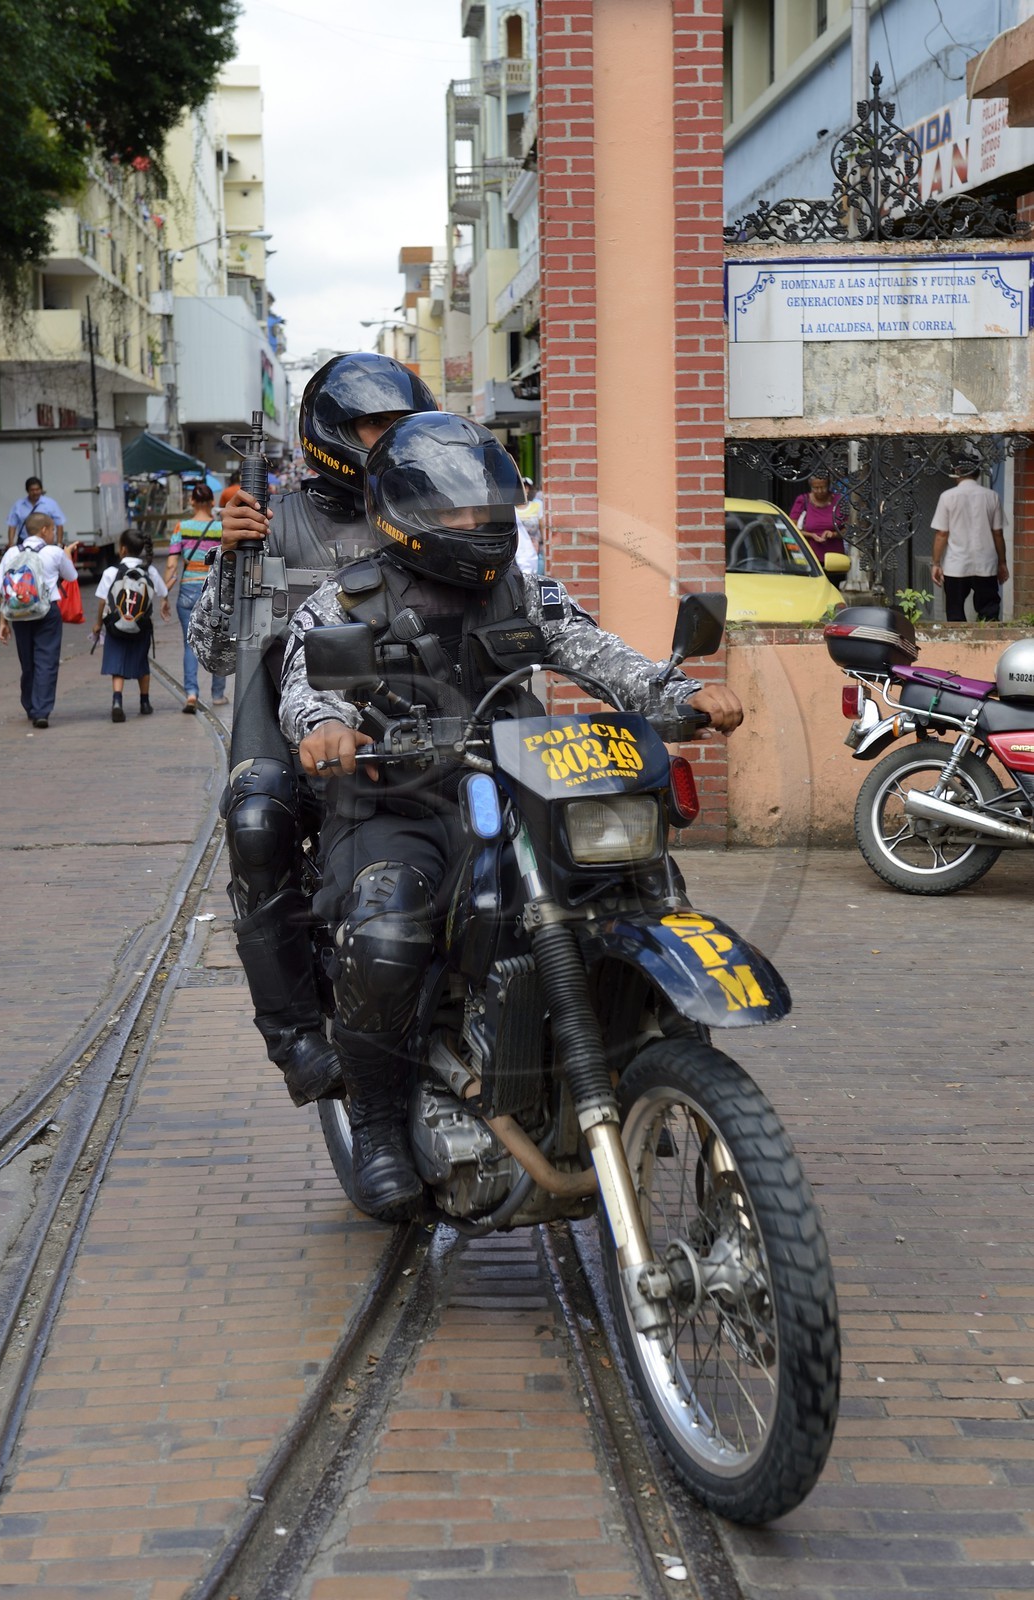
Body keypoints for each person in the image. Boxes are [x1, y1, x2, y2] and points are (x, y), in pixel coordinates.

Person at [278, 411, 743, 1222]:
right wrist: (324, 726)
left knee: (632, 884)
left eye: (486, 508)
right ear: (405, 514)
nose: (476, 525)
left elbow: (596, 653)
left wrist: (677, 696)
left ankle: (648, 1064)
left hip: (520, 784)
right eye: (456, 512)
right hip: (397, 799)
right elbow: (302, 682)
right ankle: (381, 1125)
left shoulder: (521, 588)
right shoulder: (344, 599)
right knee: (387, 932)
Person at [185, 352, 438, 1109]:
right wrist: (234, 559)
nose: (392, 438)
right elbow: (217, 652)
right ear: (333, 435)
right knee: (258, 819)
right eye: (375, 425)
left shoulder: (432, 506)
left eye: (402, 423)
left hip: (415, 710)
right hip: (290, 719)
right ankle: (294, 1034)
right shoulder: (271, 520)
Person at [0, 511, 78, 727]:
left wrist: (3, 622)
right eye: (51, 530)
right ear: (44, 530)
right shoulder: (54, 552)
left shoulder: (11, 553)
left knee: (27, 661)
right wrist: (66, 554)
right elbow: (72, 576)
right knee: (46, 661)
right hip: (47, 612)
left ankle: (30, 705)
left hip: (18, 614)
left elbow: (3, 589)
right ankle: (41, 711)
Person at [92, 527, 171, 721]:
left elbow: (102, 601)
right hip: (141, 626)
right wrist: (164, 602)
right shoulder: (149, 570)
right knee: (141, 662)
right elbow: (163, 592)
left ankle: (117, 701)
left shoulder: (111, 572)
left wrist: (97, 624)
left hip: (115, 626)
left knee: (117, 662)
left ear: (123, 549)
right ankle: (144, 702)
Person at [164, 482, 226, 712]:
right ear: (212, 502)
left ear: (191, 501)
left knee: (189, 644)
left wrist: (164, 594)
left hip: (187, 591)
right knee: (218, 642)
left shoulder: (181, 527)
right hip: (213, 591)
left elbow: (171, 564)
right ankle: (218, 694)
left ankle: (191, 693)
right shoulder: (220, 528)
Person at [930, 455, 1008, 622]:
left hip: (956, 565)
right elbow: (998, 534)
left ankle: (958, 646)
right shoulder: (991, 496)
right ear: (978, 472)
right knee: (989, 612)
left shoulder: (947, 497)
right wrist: (1002, 562)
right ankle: (990, 645)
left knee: (955, 613)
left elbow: (942, 534)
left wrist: (936, 563)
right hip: (986, 564)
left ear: (957, 472)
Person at [789, 475, 846, 575]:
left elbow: (849, 528)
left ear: (828, 486)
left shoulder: (839, 501)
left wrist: (833, 534)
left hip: (835, 560)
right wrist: (811, 535)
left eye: (823, 487)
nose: (820, 491)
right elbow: (791, 528)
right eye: (816, 488)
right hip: (810, 559)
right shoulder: (803, 500)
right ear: (811, 487)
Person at [6, 477, 66, 547]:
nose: (35, 492)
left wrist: (59, 543)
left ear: (41, 489)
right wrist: (11, 542)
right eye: (32, 490)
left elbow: (59, 524)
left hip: (45, 543)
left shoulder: (50, 504)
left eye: (37, 489)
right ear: (27, 490)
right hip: (24, 543)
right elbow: (12, 525)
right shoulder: (19, 505)